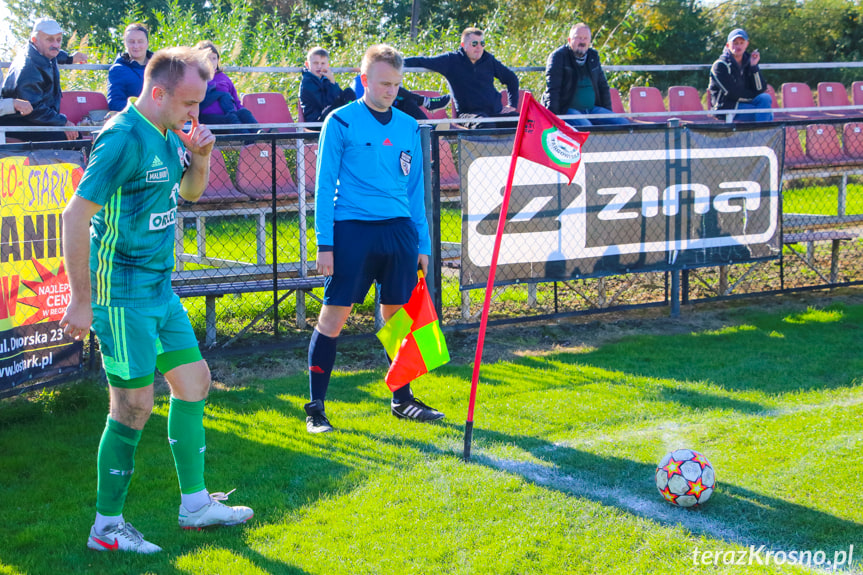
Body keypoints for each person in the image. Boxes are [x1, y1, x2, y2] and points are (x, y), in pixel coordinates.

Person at [60, 46, 254, 554]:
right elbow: (74, 217)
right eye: (190, 102)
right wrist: (82, 299)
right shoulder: (123, 137)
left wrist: (204, 156)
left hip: (159, 290)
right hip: (121, 296)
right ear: (158, 91)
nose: (197, 113)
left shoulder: (169, 133)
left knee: (194, 384)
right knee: (132, 407)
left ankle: (195, 505)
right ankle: (106, 528)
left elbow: (188, 193)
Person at [304, 43, 444, 433]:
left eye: (397, 85)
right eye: (384, 84)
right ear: (364, 80)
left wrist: (422, 244)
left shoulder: (408, 126)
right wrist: (325, 244)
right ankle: (316, 410)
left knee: (397, 319)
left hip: (399, 232)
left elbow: (415, 190)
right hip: (353, 232)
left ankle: (403, 400)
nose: (391, 91)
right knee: (334, 318)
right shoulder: (341, 121)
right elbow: (324, 185)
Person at [299, 46, 449, 127]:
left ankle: (428, 127)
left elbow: (334, 101)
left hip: (331, 115)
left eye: (323, 63)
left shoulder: (323, 79)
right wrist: (333, 83)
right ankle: (425, 102)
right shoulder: (308, 82)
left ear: (328, 64)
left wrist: (331, 83)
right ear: (308, 65)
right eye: (315, 63)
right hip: (318, 121)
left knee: (406, 102)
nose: (319, 67)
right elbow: (328, 103)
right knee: (349, 93)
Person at [405, 27, 519, 129]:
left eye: (482, 43)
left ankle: (517, 153)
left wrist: (512, 105)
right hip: (469, 114)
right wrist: (396, 63)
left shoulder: (488, 60)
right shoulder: (451, 60)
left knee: (520, 121)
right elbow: (423, 61)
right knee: (485, 125)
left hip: (494, 111)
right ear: (463, 45)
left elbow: (511, 78)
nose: (479, 47)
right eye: (474, 44)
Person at [0, 17, 87, 141]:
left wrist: (69, 58)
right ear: (35, 40)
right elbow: (33, 109)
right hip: (19, 122)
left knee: (73, 135)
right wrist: (63, 122)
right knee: (73, 137)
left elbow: (53, 53)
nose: (56, 45)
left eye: (59, 40)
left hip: (31, 119)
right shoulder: (28, 68)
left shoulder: (39, 52)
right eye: (50, 39)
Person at [541, 23, 629, 126]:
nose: (582, 41)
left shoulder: (593, 56)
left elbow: (603, 86)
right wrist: (554, 118)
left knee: (623, 123)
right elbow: (553, 89)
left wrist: (607, 112)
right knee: (587, 127)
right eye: (578, 38)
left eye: (585, 38)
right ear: (569, 40)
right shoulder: (558, 57)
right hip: (567, 110)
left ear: (589, 41)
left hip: (592, 110)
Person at [708, 28, 773, 122]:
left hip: (745, 104)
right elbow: (732, 93)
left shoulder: (748, 62)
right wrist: (754, 94)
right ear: (728, 45)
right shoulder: (720, 65)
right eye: (735, 43)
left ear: (747, 44)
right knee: (765, 114)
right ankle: (763, 135)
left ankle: (760, 134)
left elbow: (760, 88)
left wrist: (754, 66)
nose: (738, 46)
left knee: (765, 98)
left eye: (741, 43)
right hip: (726, 108)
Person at [194, 40, 259, 132]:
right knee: (231, 117)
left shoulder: (224, 78)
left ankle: (261, 134)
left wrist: (240, 110)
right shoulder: (196, 78)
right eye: (208, 59)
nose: (212, 62)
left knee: (244, 113)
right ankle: (247, 139)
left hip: (230, 113)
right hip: (207, 119)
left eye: (214, 58)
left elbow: (236, 100)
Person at [106, 23, 153, 112]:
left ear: (147, 43)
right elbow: (115, 103)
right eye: (131, 42)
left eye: (140, 41)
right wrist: (142, 109)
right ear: (125, 44)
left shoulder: (161, 67)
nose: (136, 46)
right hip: (136, 119)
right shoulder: (118, 70)